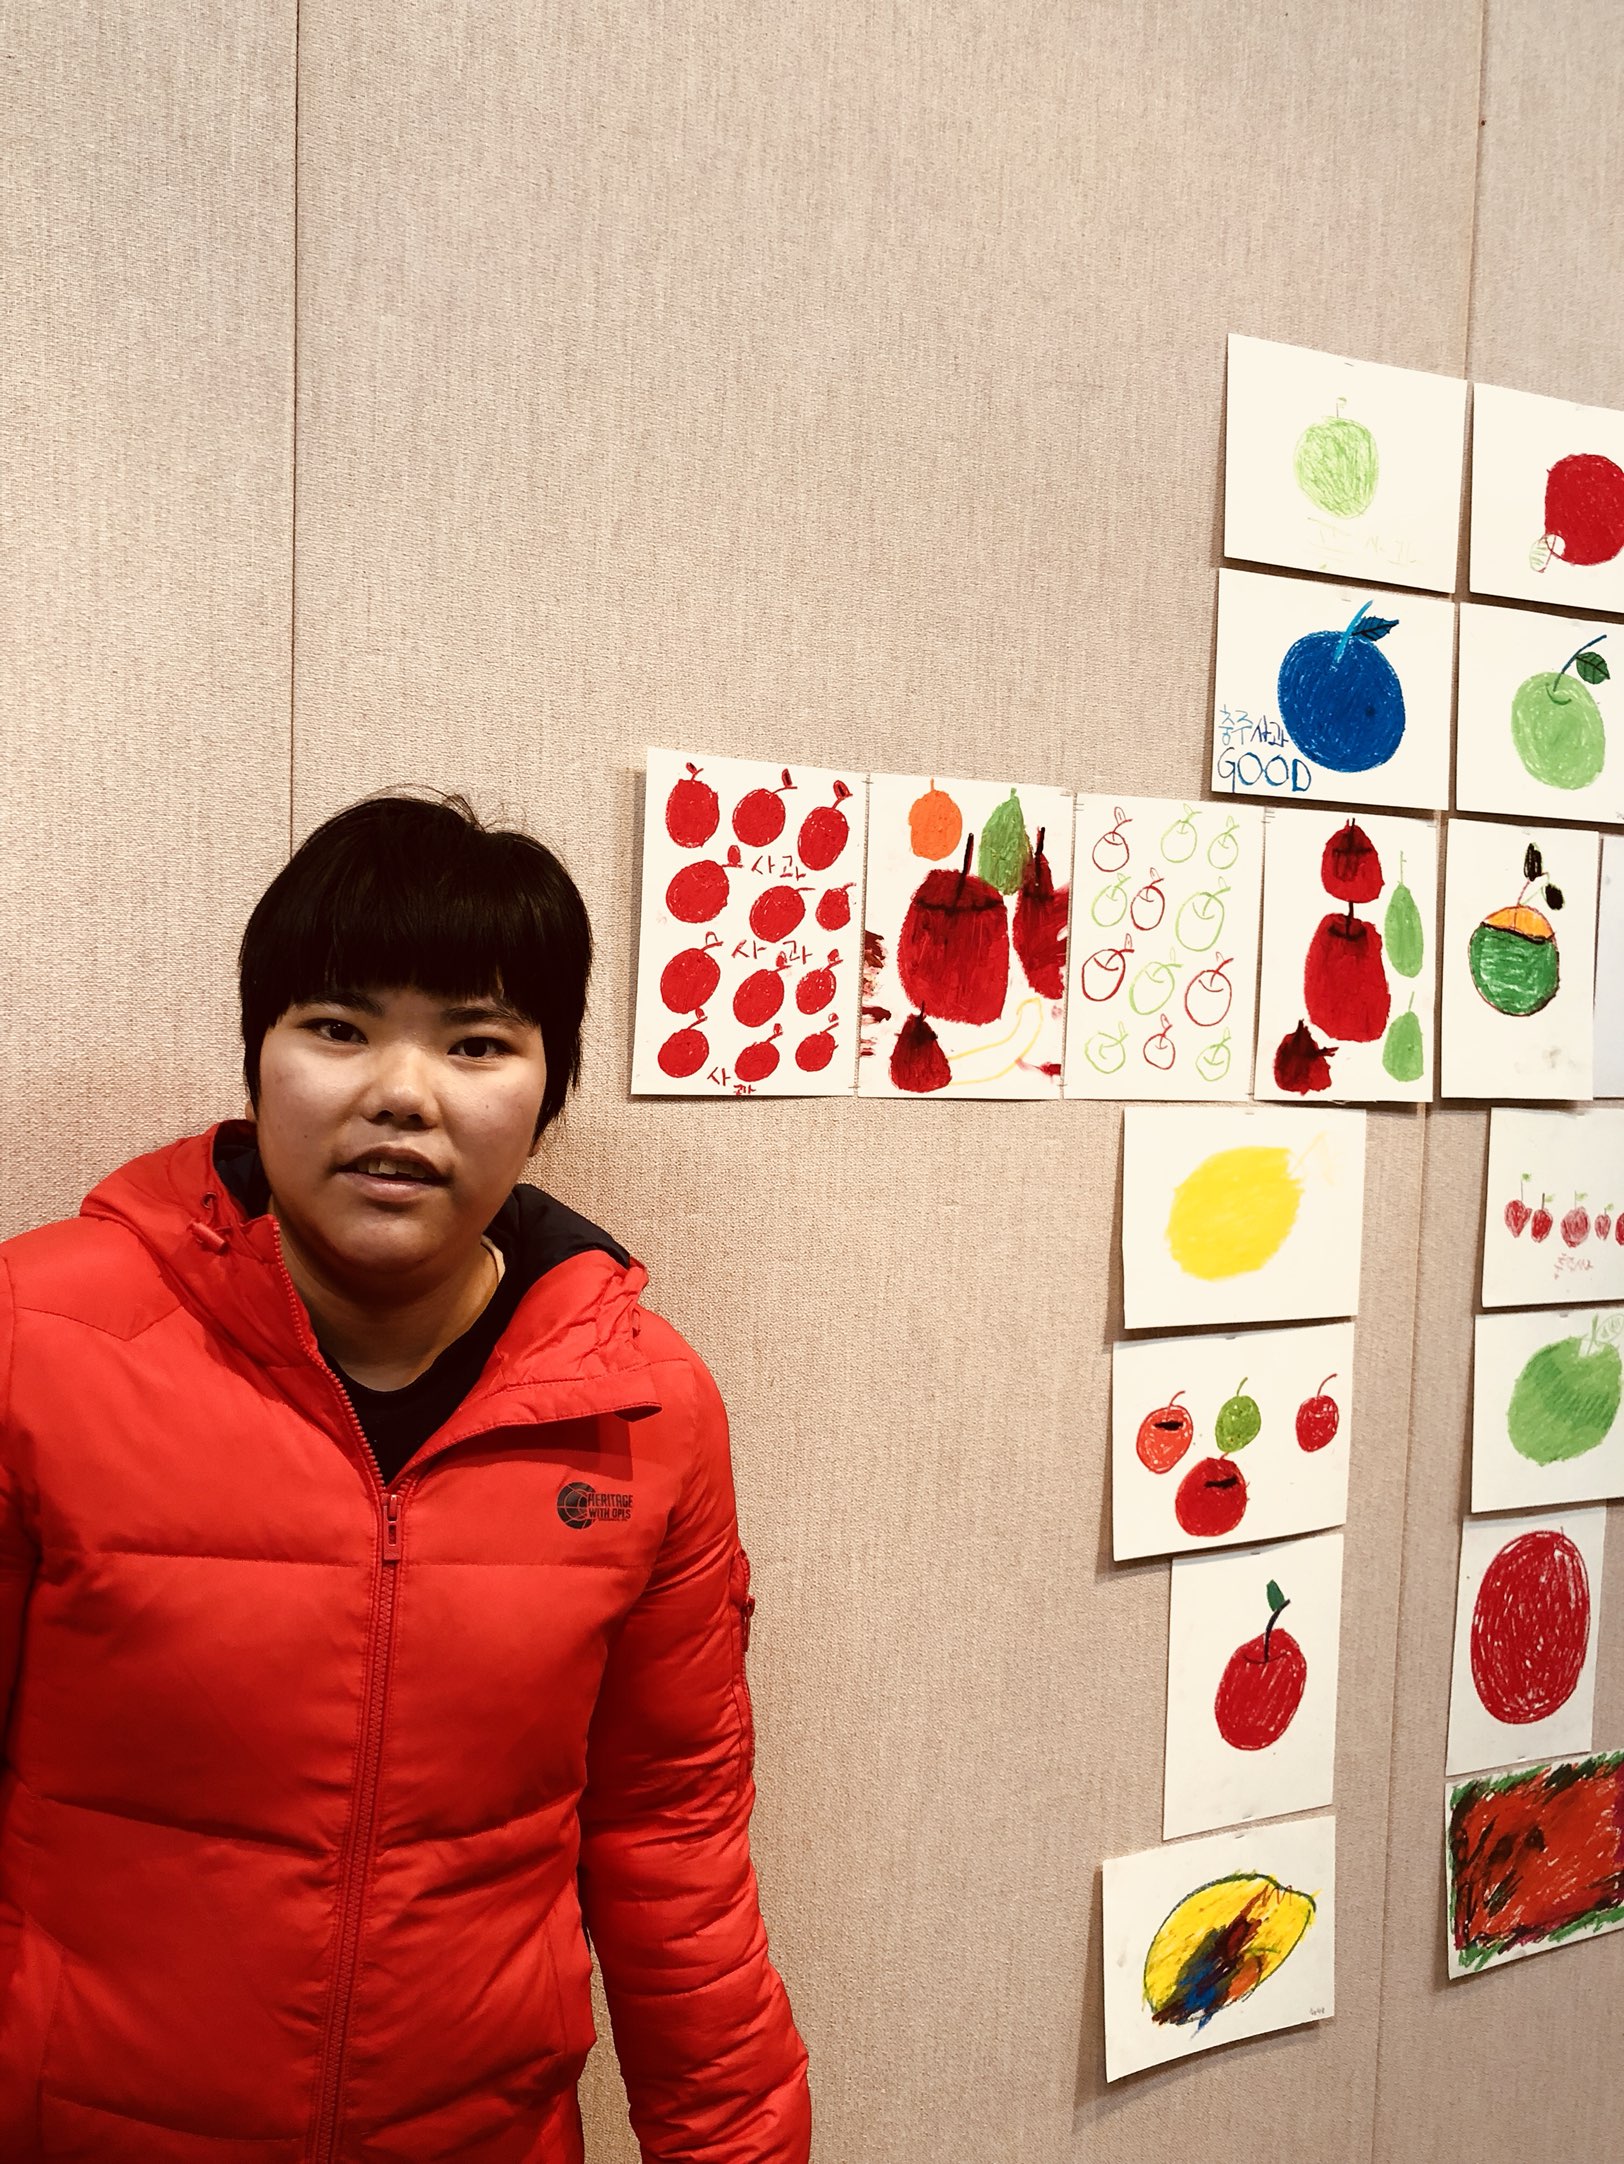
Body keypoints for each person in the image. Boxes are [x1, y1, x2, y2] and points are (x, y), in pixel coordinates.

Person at [0, 793, 811, 2161]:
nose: (401, 1091)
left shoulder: (646, 1408)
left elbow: (673, 1845)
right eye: (337, 1026)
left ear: (547, 1096)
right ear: (257, 1059)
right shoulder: (38, 1339)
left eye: (477, 1042)